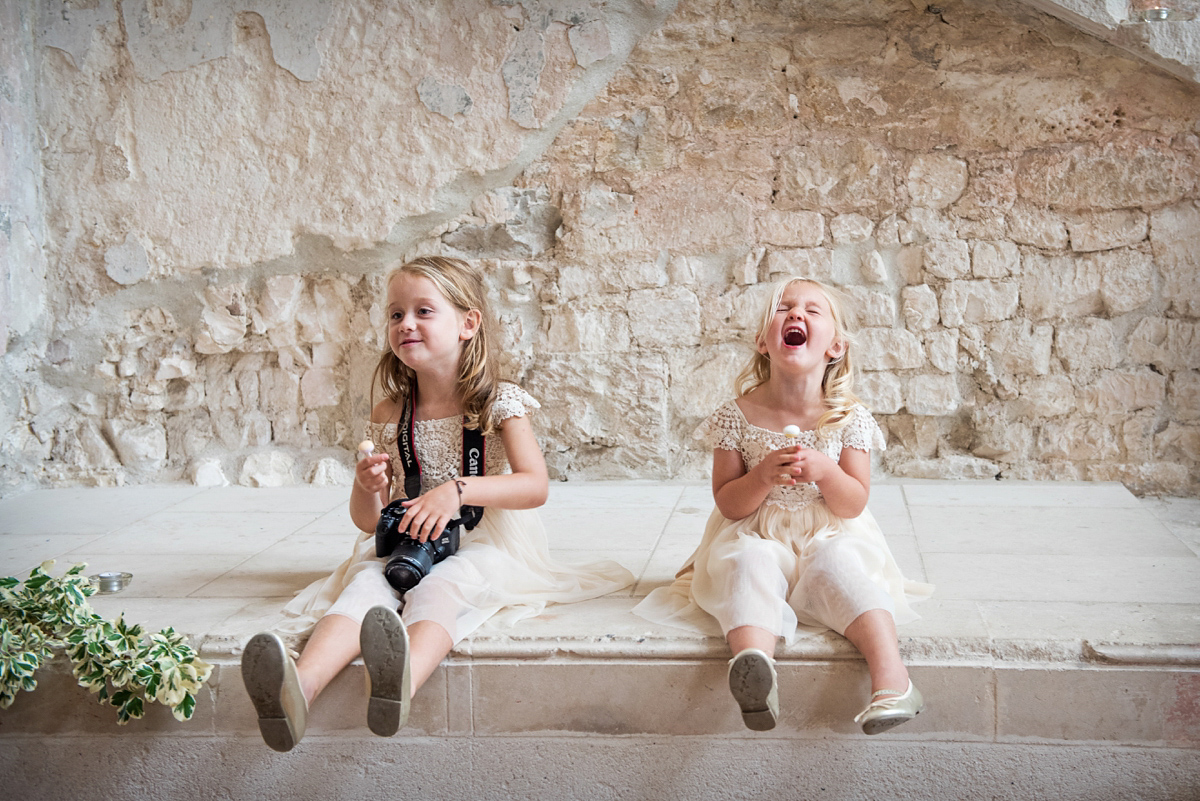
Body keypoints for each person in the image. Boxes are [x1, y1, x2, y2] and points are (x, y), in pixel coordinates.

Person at [241, 256, 633, 752]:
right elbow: (367, 523)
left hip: (484, 540)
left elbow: (535, 486)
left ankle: (397, 683)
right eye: (395, 314)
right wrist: (368, 487)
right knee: (365, 584)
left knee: (445, 585)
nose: (406, 323)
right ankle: (297, 690)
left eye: (424, 311)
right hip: (413, 540)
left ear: (468, 323)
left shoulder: (499, 402)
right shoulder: (389, 414)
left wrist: (458, 490)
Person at [633, 276, 933, 734]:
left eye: (813, 311)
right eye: (784, 308)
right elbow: (729, 504)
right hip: (755, 530)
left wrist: (828, 473)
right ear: (763, 342)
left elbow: (853, 504)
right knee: (747, 562)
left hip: (829, 531)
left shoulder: (848, 417)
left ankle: (892, 680)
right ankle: (755, 668)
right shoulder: (736, 416)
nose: (796, 314)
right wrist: (761, 477)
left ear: (836, 346)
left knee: (841, 564)